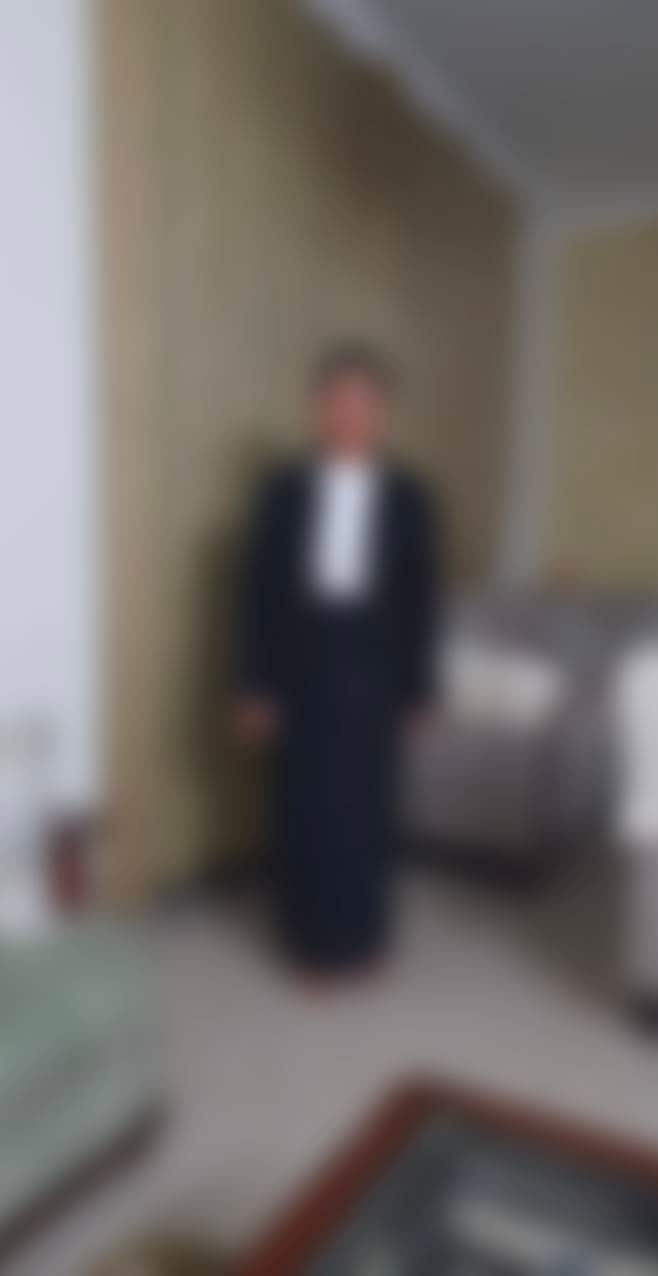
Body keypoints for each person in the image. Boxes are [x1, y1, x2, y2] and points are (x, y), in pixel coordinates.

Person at [234, 341, 439, 975]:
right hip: (303, 664)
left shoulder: (409, 497)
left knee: (369, 811)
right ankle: (310, 946)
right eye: (337, 401)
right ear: (317, 409)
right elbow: (257, 594)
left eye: (363, 403)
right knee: (303, 810)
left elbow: (421, 600)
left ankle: (365, 939)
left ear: (382, 413)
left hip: (374, 665)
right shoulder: (282, 492)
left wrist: (420, 690)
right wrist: (254, 685)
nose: (350, 414)